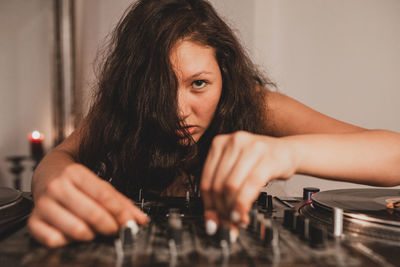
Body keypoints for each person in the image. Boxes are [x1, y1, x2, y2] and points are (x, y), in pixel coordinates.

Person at [28, 0, 400, 247]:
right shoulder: (120, 107)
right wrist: (52, 184)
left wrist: (285, 151)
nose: (179, 110)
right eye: (158, 87)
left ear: (224, 72)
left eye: (199, 84)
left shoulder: (254, 104)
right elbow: (60, 158)